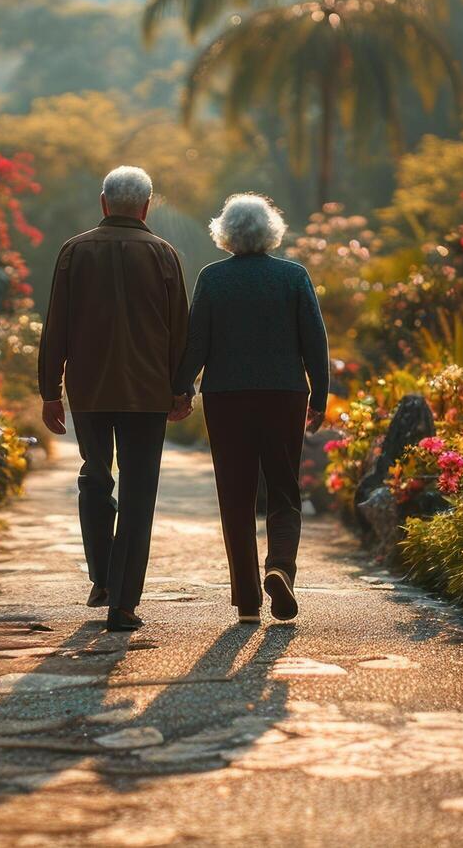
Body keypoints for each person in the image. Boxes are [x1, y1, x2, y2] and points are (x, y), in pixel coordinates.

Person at [38, 166, 191, 633]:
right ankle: (122, 603)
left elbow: (56, 325)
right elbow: (180, 331)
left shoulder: (74, 251)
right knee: (140, 491)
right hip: (147, 394)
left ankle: (102, 577)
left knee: (95, 476)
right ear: (146, 207)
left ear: (104, 203)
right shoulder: (164, 254)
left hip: (89, 389)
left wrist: (51, 391)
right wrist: (182, 388)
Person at [174, 193, 328, 624]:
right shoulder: (294, 276)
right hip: (284, 394)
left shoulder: (213, 278)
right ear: (271, 232)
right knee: (284, 490)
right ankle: (280, 566)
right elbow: (314, 341)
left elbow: (197, 341)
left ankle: (246, 600)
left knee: (235, 495)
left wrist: (181, 388)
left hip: (226, 397)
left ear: (225, 233)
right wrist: (319, 396)